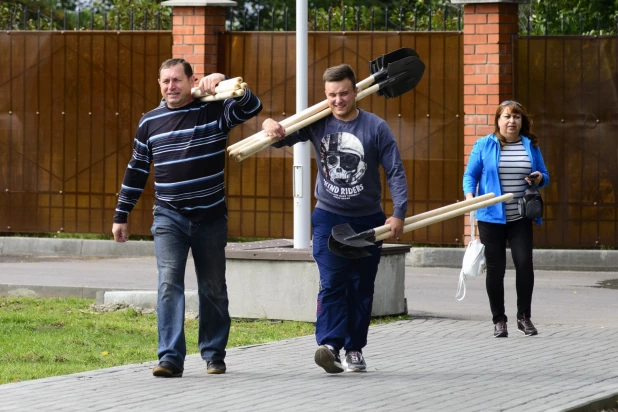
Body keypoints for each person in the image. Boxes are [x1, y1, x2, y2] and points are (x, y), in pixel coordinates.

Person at [112, 58, 262, 377]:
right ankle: (170, 358)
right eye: (165, 81)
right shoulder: (149, 122)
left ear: (191, 81)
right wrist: (121, 214)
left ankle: (213, 354)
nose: (171, 87)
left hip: (210, 216)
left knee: (213, 288)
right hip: (169, 217)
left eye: (177, 80)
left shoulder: (213, 111)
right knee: (169, 284)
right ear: (159, 84)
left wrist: (222, 80)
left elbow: (252, 106)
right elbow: (137, 169)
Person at [262, 64, 408, 373]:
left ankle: (354, 349)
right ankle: (329, 344)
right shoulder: (317, 121)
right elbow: (281, 136)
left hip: (369, 219)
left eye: (343, 93)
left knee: (361, 285)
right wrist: (269, 124)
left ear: (357, 91)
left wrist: (398, 213)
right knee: (332, 282)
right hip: (328, 216)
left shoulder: (376, 127)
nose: (338, 101)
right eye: (331, 95)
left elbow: (395, 170)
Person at [463, 100, 549, 338]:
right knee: (495, 269)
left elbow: (546, 175)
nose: (512, 121)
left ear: (522, 121)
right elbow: (470, 175)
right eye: (507, 117)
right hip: (491, 217)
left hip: (520, 216)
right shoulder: (484, 145)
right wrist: (470, 197)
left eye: (517, 117)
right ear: (498, 121)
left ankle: (524, 317)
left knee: (524, 265)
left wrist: (539, 177)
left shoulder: (530, 145)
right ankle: (499, 320)